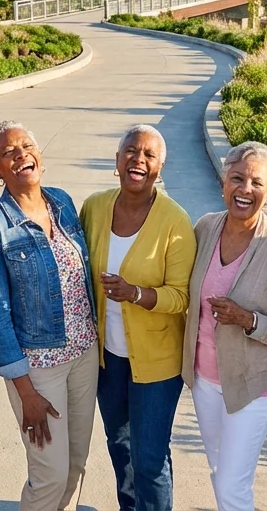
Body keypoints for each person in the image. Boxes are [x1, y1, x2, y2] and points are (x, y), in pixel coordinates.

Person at [0, 121, 98, 511]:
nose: (21, 154)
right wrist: (26, 391)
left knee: (76, 463)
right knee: (49, 474)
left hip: (84, 356)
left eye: (26, 145)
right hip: (39, 370)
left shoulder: (61, 202)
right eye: (9, 152)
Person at [80, 125, 197, 510]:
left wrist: (137, 294)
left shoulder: (175, 221)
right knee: (120, 446)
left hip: (157, 363)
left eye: (149, 155)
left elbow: (181, 297)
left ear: (160, 168)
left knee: (149, 458)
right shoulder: (95, 207)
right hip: (107, 358)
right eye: (130, 151)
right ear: (116, 161)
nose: (138, 160)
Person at [182, 141, 267, 511]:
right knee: (220, 472)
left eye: (256, 182)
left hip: (252, 388)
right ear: (223, 181)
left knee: (233, 485)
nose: (245, 189)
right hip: (204, 380)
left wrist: (247, 320)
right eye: (237, 178)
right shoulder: (205, 227)